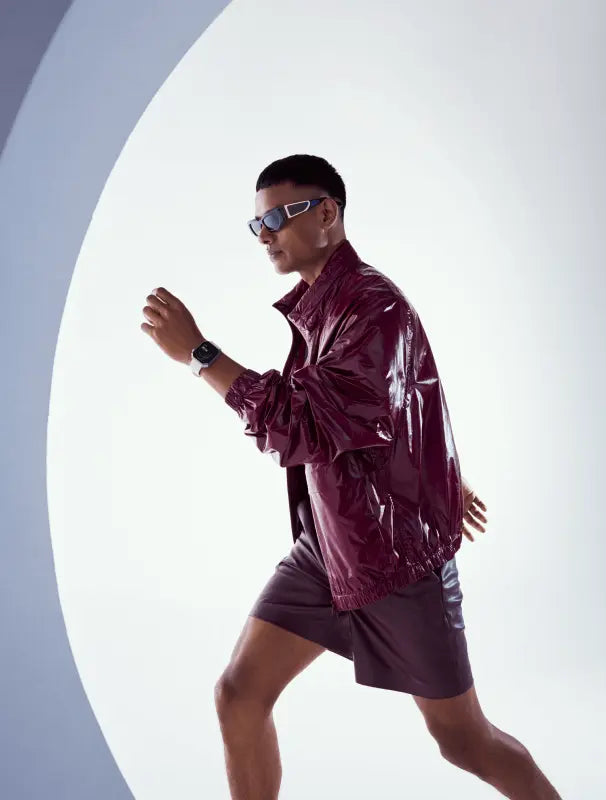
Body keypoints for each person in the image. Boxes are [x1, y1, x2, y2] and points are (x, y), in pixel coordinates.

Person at [140, 154, 561, 799]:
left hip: (395, 559)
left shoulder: (372, 305)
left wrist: (200, 355)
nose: (266, 235)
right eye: (257, 225)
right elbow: (399, 402)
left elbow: (302, 424)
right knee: (238, 693)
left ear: (328, 214)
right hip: (328, 547)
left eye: (279, 217)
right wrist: (441, 476)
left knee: (463, 740)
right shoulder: (324, 305)